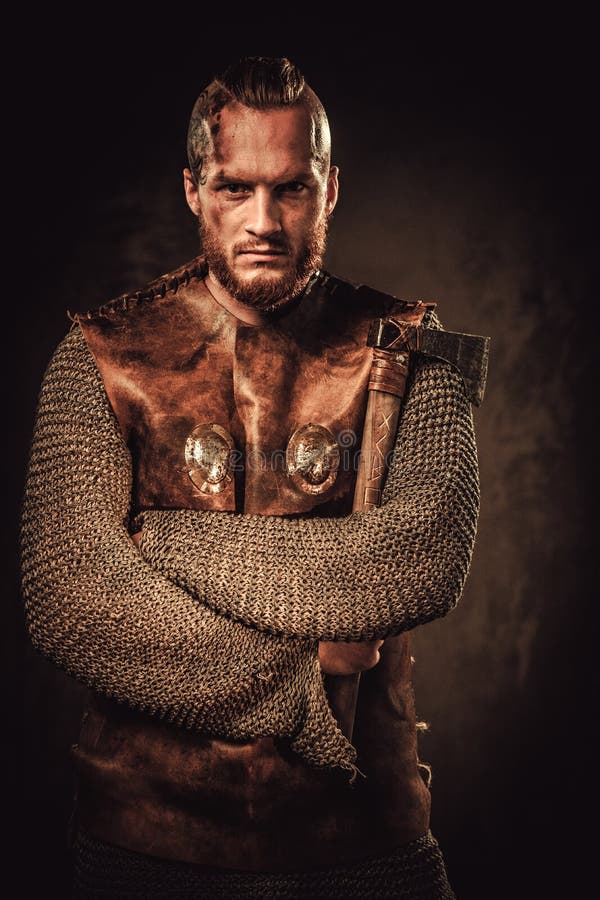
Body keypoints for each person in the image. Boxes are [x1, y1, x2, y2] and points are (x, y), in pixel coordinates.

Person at [20, 57, 486, 899]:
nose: (264, 220)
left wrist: (163, 539)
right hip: (144, 841)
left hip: (364, 838)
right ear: (194, 190)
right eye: (236, 188)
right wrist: (303, 673)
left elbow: (420, 558)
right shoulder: (99, 360)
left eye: (292, 189)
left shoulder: (414, 347)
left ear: (331, 189)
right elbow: (72, 595)